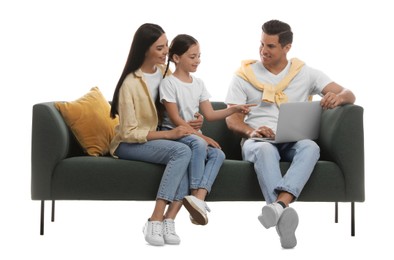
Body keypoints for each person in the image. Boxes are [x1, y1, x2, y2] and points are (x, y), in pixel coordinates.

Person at [225, 19, 356, 249]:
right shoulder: (243, 75)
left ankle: (278, 207)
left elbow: (348, 93)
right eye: (262, 44)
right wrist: (251, 130)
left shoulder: (304, 73)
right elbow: (231, 117)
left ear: (287, 47)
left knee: (311, 147)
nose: (263, 51)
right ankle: (284, 213)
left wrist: (340, 97)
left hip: (291, 138)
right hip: (258, 140)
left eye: (271, 46)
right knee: (265, 149)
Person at [109, 23, 203, 246]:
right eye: (160, 48)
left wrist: (196, 119)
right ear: (145, 50)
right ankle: (155, 218)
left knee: (189, 147)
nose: (166, 52)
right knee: (181, 151)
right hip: (129, 143)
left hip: (158, 136)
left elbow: (178, 105)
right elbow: (129, 132)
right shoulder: (129, 84)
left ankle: (170, 221)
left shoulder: (164, 73)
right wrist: (170, 136)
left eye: (166, 46)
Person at [159, 34, 255, 225]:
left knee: (218, 155)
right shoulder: (168, 83)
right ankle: (195, 192)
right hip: (176, 135)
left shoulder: (199, 83)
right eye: (192, 57)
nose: (198, 61)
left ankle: (198, 199)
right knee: (198, 144)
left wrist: (234, 108)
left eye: (199, 56)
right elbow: (176, 119)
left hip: (193, 136)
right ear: (176, 58)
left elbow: (210, 115)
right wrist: (200, 136)